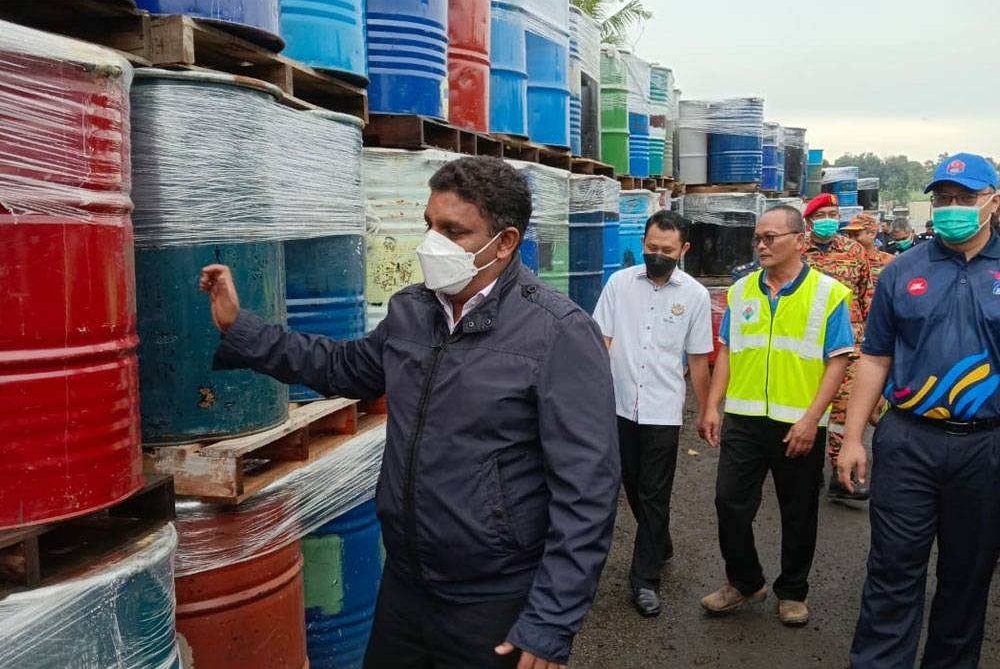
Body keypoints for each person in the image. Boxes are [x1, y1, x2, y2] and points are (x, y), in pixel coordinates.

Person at [199, 156, 621, 669]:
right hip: (405, 588)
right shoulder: (410, 312)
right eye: (429, 225)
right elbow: (340, 366)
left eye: (453, 230)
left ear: (505, 242)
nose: (432, 243)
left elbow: (588, 489)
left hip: (493, 603)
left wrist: (551, 620)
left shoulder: (557, 333)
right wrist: (241, 328)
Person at [839, 153, 1000, 668]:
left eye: (965, 198)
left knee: (968, 577)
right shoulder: (902, 270)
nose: (953, 207)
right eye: (944, 198)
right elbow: (875, 357)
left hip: (987, 447)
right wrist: (851, 437)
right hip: (909, 441)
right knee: (892, 571)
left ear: (992, 202)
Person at [698, 205, 852, 627]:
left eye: (771, 237)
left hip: (798, 422)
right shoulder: (741, 289)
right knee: (729, 503)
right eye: (758, 238)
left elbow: (837, 360)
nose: (761, 245)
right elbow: (727, 350)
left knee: (798, 511)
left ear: (798, 240)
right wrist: (713, 405)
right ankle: (745, 581)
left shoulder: (828, 293)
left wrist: (811, 419)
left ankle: (793, 591)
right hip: (745, 418)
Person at [593, 210, 714, 618]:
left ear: (684, 249)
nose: (657, 255)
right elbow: (601, 340)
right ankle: (658, 540)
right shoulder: (619, 284)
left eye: (666, 250)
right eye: (650, 248)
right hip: (618, 403)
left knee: (654, 492)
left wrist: (707, 410)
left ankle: (645, 580)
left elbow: (699, 359)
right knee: (629, 481)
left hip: (663, 408)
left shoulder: (695, 295)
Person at [801, 193, 873, 501]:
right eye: (822, 214)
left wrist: (871, 337)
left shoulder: (854, 250)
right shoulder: (797, 250)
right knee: (809, 403)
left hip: (850, 342)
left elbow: (866, 293)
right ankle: (808, 465)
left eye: (833, 213)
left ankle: (840, 472)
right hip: (809, 340)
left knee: (844, 408)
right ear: (809, 221)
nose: (829, 219)